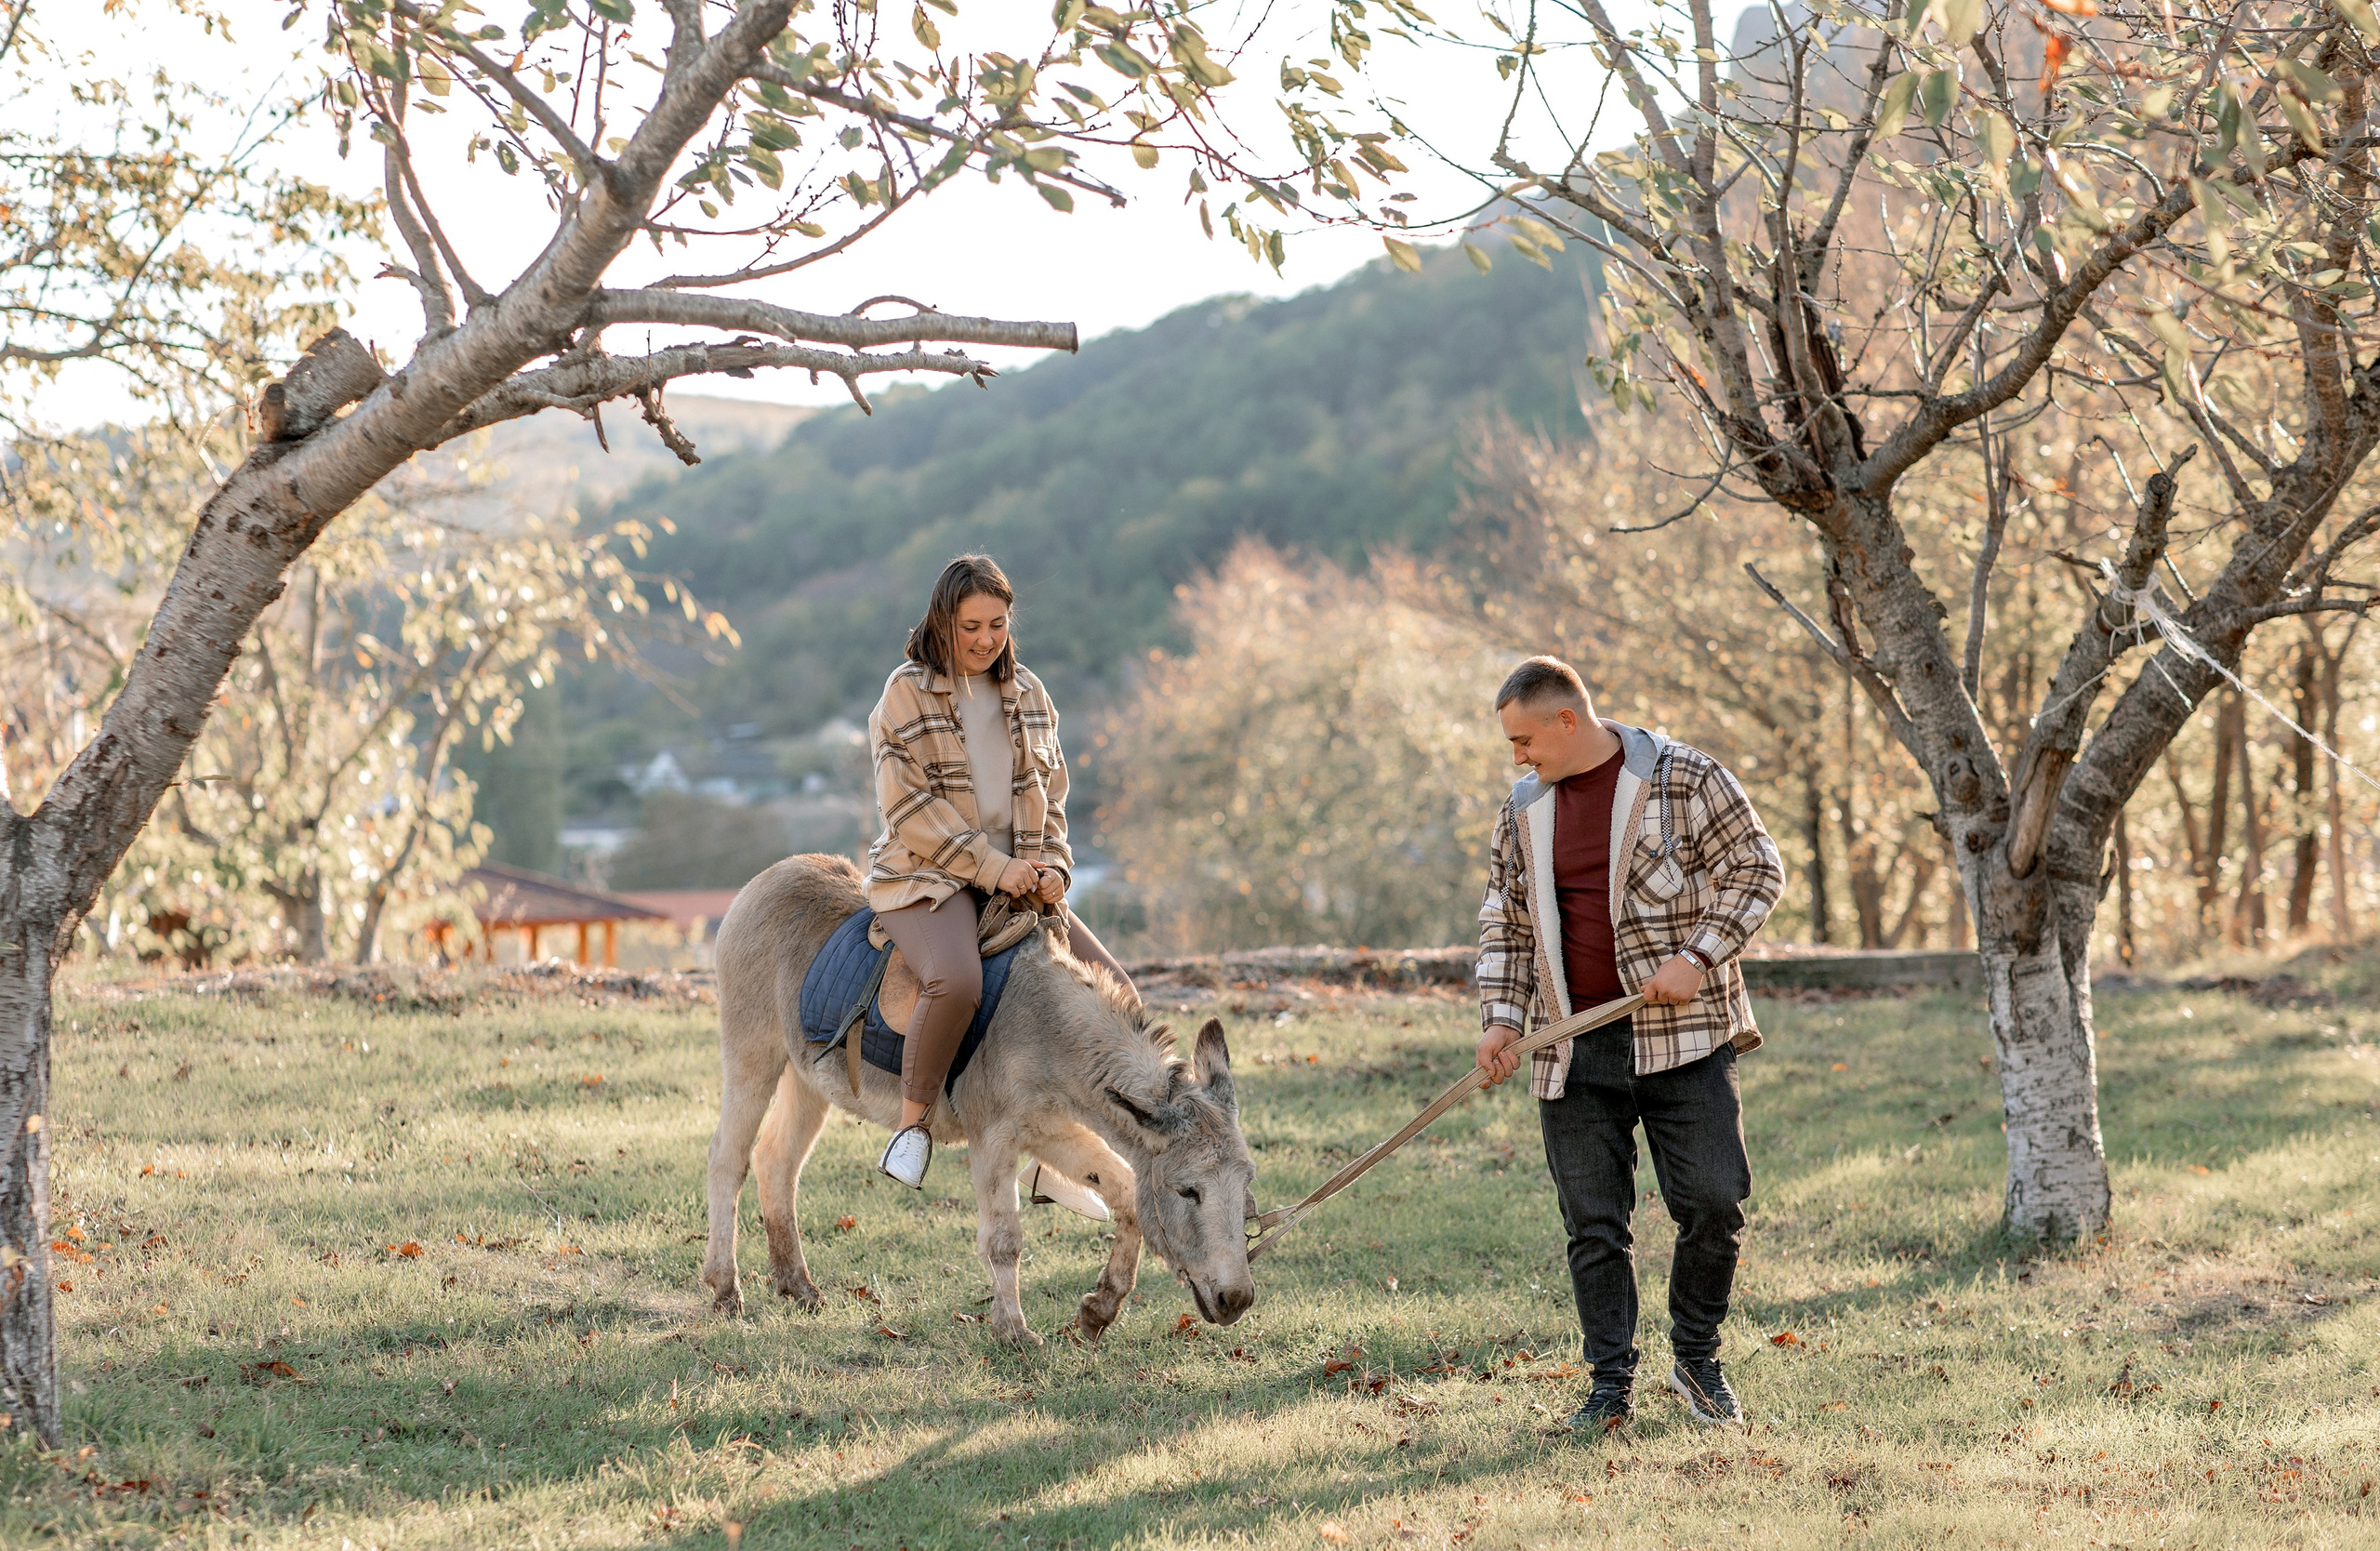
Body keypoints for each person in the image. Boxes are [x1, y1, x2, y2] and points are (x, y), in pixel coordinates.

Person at [1474, 656, 1783, 1432]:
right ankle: (1608, 1386)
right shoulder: (1521, 810)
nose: (1517, 757)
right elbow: (1506, 925)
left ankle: (1697, 1361)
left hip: (1684, 1041)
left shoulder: (1686, 778)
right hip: (1572, 1052)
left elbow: (1758, 871)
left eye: (1524, 740)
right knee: (1594, 1228)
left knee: (1715, 1204)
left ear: (1567, 721)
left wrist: (1699, 955)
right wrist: (1502, 1021)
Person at [865, 554, 1135, 1188]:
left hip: (1019, 877)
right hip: (926, 874)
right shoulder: (906, 692)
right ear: (942, 623)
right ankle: (912, 1128)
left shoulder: (1032, 696)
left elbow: (1056, 800)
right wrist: (994, 867)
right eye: (971, 626)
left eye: (998, 623)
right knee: (956, 983)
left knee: (1116, 991)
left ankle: (1053, 1160)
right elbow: (908, 810)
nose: (986, 639)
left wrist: (1055, 873)